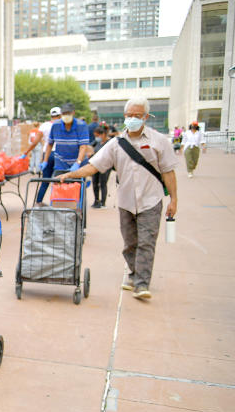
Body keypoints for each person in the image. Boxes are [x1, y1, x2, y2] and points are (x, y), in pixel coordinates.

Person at [59, 97, 178, 300]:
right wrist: (71, 174)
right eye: (129, 115)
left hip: (151, 199)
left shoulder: (159, 141)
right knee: (130, 242)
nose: (132, 119)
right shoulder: (115, 144)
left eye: (137, 116)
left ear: (146, 117)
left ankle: (142, 283)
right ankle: (133, 273)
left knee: (147, 242)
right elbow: (95, 165)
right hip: (126, 202)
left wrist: (174, 200)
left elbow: (168, 172)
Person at [34, 103, 90, 205]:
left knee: (77, 191)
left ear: (73, 113)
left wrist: (78, 162)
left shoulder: (81, 126)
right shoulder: (56, 125)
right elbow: (50, 144)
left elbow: (83, 146)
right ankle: (59, 213)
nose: (66, 115)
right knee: (59, 190)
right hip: (60, 163)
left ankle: (77, 212)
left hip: (77, 163)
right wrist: (45, 161)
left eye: (68, 113)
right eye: (64, 113)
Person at [21, 106, 61, 177]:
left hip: (47, 153)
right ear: (60, 115)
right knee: (59, 180)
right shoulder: (64, 125)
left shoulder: (44, 126)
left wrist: (26, 152)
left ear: (51, 115)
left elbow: (35, 142)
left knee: (45, 181)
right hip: (61, 154)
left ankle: (34, 169)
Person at [89, 123, 112, 208]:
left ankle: (103, 202)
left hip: (106, 166)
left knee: (103, 183)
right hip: (95, 165)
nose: (96, 138)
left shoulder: (110, 142)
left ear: (103, 134)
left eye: (97, 136)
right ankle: (96, 200)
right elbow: (90, 146)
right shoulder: (96, 142)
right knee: (95, 183)